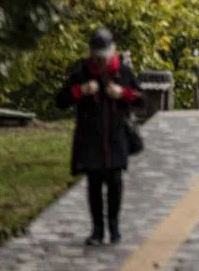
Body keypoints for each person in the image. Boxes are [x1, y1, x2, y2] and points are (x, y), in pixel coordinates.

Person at [55, 27, 141, 246]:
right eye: (97, 56)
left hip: (116, 138)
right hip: (90, 139)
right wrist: (81, 91)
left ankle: (114, 226)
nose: (101, 61)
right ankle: (97, 230)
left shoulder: (123, 72)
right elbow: (60, 100)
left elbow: (141, 99)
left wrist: (122, 94)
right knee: (94, 185)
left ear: (113, 51)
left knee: (115, 184)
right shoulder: (81, 72)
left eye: (104, 56)